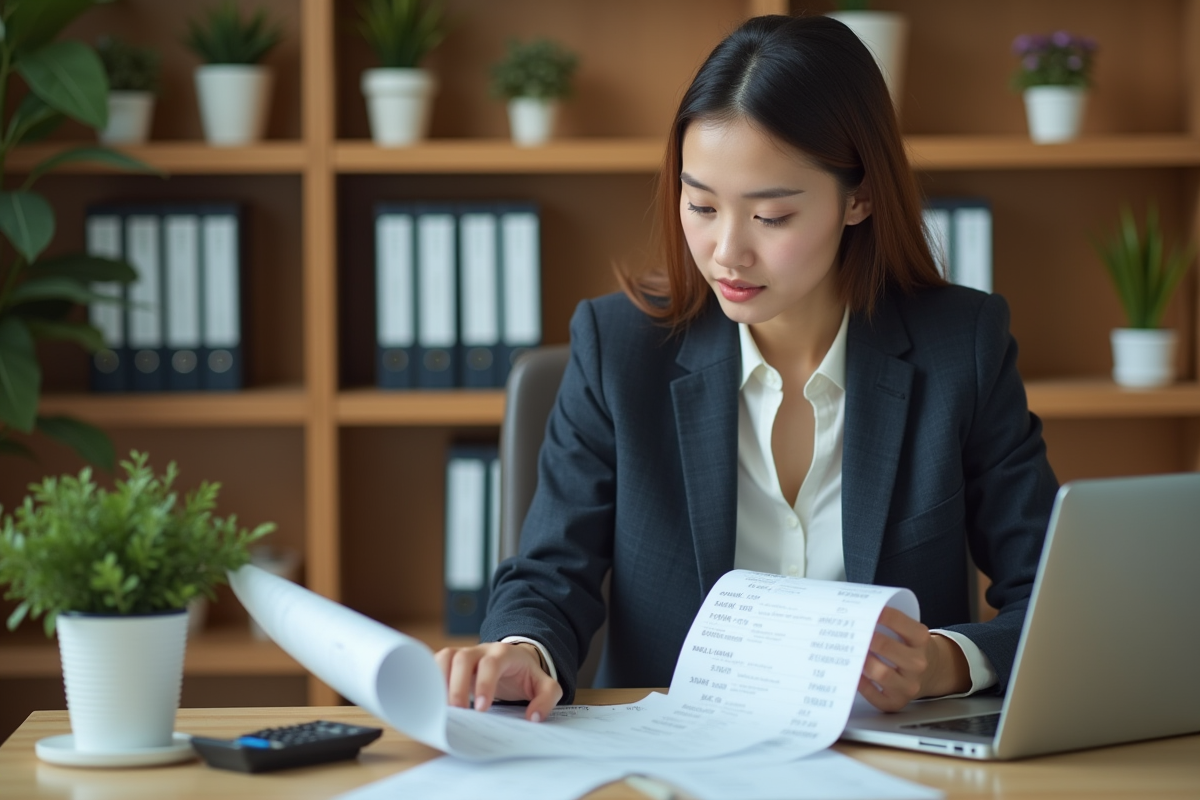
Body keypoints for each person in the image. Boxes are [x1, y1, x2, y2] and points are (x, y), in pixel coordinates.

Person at [435, 14, 1058, 723]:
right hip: (674, 760)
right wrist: (524, 650)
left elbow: (1050, 595)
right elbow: (550, 573)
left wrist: (942, 662)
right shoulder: (618, 348)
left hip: (889, 761)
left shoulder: (962, 349)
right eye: (701, 205)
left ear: (860, 198)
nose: (726, 251)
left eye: (771, 217)